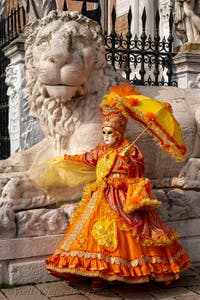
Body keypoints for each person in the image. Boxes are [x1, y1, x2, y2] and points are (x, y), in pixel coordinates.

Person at [45, 84, 190, 290]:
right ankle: (97, 273)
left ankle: (157, 269)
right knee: (92, 233)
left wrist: (130, 161)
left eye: (110, 132)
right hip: (100, 196)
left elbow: (138, 172)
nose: (106, 136)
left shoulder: (131, 149)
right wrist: (67, 158)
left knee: (134, 235)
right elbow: (88, 158)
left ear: (119, 132)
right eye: (104, 132)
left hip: (122, 197)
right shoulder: (102, 149)